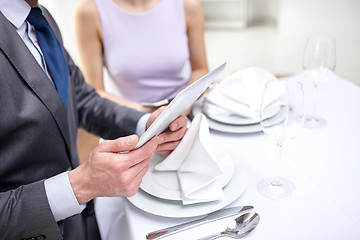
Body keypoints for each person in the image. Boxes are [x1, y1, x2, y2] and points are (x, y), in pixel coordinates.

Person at [0, 1, 187, 239]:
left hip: (82, 222)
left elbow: (81, 98)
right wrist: (78, 186)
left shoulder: (39, 18)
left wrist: (146, 124)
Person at [74, 0, 209, 112]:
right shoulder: (89, 11)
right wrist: (149, 113)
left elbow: (200, 70)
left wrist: (183, 104)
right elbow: (94, 91)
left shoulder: (187, 4)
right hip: (126, 117)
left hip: (181, 113)